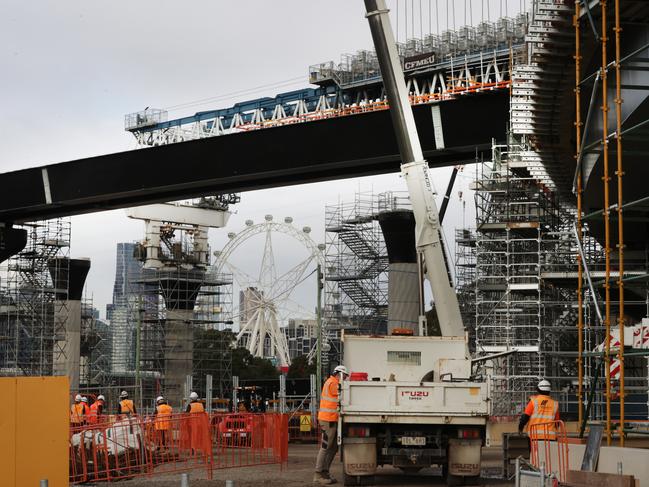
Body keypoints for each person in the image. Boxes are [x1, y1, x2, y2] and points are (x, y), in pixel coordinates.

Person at [314, 365, 349, 485]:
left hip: (331, 420)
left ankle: (324, 472)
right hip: (327, 420)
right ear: (339, 374)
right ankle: (318, 474)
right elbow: (342, 396)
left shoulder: (332, 382)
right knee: (325, 448)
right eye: (344, 376)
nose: (345, 379)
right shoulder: (333, 383)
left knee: (333, 447)